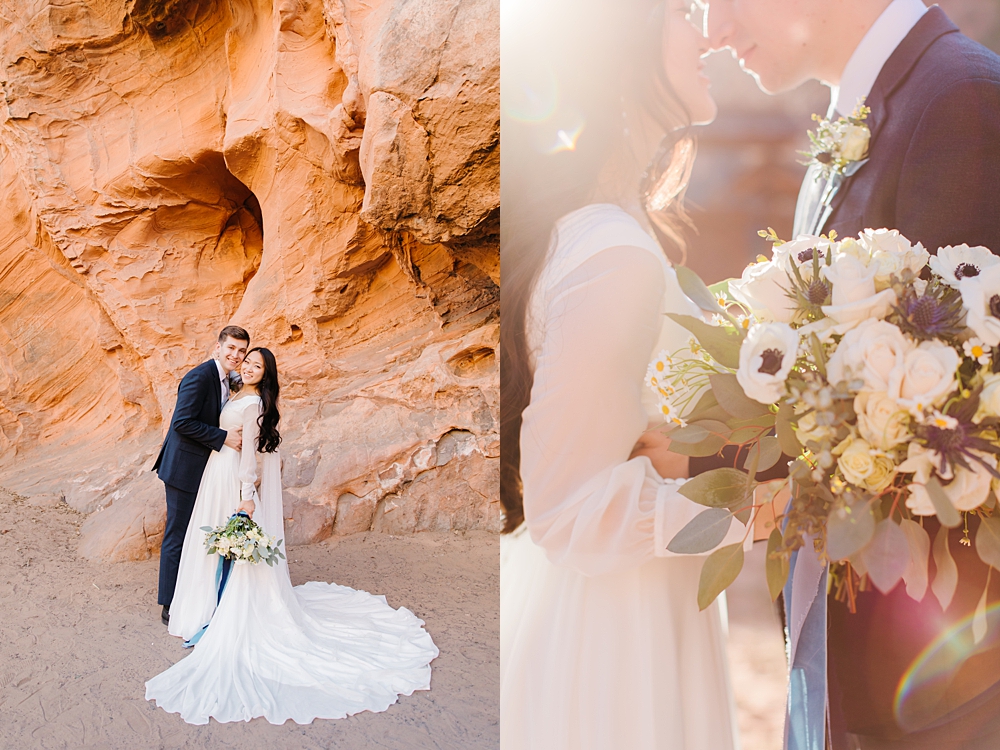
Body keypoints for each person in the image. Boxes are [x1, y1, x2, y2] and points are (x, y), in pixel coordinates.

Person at [708, 1, 1000, 747]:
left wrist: (711, 455)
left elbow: (958, 407)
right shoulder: (863, 107)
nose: (715, 29)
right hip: (866, 650)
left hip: (942, 671)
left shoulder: (960, 99)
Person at [500, 1, 750, 748]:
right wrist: (750, 498)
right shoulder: (615, 254)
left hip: (632, 601)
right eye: (681, 10)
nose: (707, 32)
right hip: (619, 635)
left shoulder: (611, 227)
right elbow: (569, 506)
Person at [146, 347, 439, 725]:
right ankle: (205, 605)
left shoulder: (251, 404)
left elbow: (251, 455)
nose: (247, 365)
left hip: (230, 475)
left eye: (255, 364)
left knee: (216, 542)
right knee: (207, 542)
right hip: (215, 473)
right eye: (244, 360)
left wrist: (247, 498)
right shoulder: (233, 390)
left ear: (265, 374)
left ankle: (214, 608)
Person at [153, 325, 249, 627]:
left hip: (202, 469)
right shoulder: (199, 376)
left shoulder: (226, 379)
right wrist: (223, 437)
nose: (235, 354)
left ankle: (192, 593)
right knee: (177, 536)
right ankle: (169, 604)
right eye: (231, 348)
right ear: (218, 347)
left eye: (241, 350)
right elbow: (182, 423)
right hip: (183, 469)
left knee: (194, 533)